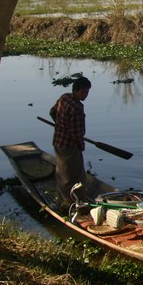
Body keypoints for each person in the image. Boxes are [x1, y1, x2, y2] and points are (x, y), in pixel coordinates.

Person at [49, 76, 91, 208]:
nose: (85, 95)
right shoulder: (76, 108)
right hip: (69, 146)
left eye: (87, 92)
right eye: (83, 92)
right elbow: (76, 134)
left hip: (58, 141)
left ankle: (62, 201)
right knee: (75, 177)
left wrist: (59, 125)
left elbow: (52, 112)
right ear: (76, 90)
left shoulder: (64, 97)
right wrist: (81, 146)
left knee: (62, 172)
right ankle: (73, 204)